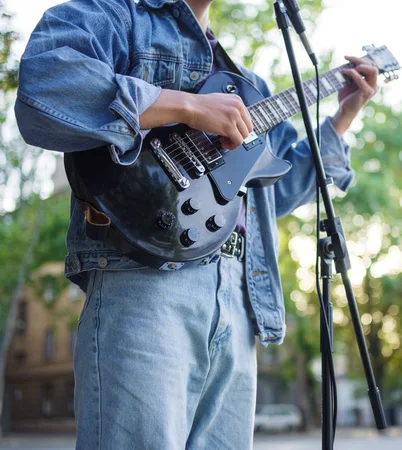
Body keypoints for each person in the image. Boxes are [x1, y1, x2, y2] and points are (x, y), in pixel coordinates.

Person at [15, 0, 379, 448]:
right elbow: (46, 87)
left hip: (241, 295)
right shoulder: (116, 15)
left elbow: (277, 192)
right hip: (145, 279)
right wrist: (187, 106)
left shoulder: (250, 85)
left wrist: (344, 115)